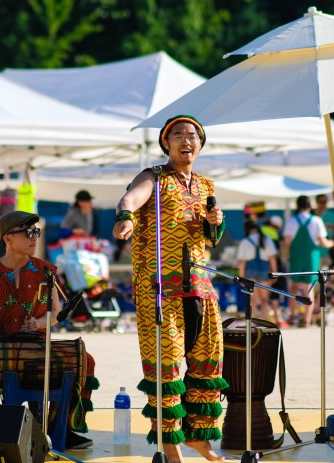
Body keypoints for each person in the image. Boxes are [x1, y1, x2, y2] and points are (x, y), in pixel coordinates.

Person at [112, 115, 226, 463]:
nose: (185, 141)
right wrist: (125, 217)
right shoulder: (154, 177)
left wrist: (216, 224)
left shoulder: (206, 185)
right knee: (167, 364)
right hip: (159, 286)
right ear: (166, 144)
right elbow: (130, 199)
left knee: (208, 359)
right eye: (177, 135)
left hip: (199, 283)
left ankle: (199, 437)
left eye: (192, 136)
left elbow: (211, 240)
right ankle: (170, 442)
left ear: (201, 144)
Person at [0, 210, 97, 449]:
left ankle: (61, 428)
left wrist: (39, 323)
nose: (35, 237)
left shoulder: (47, 271)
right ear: (8, 239)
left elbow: (57, 314)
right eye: (28, 232)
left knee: (85, 360)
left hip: (36, 348)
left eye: (37, 232)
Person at [283, 195, 333, 327]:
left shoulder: (292, 221)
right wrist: (333, 243)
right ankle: (307, 319)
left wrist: (286, 253)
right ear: (310, 206)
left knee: (293, 286)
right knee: (309, 287)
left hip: (296, 257)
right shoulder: (316, 220)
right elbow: (323, 241)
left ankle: (294, 315)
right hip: (311, 257)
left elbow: (287, 242)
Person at [236, 220, 278, 321]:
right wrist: (275, 273)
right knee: (264, 299)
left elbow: (242, 262)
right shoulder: (267, 239)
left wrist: (241, 277)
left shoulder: (245, 242)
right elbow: (272, 258)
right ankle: (265, 320)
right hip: (264, 269)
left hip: (250, 270)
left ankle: (254, 320)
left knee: (253, 300)